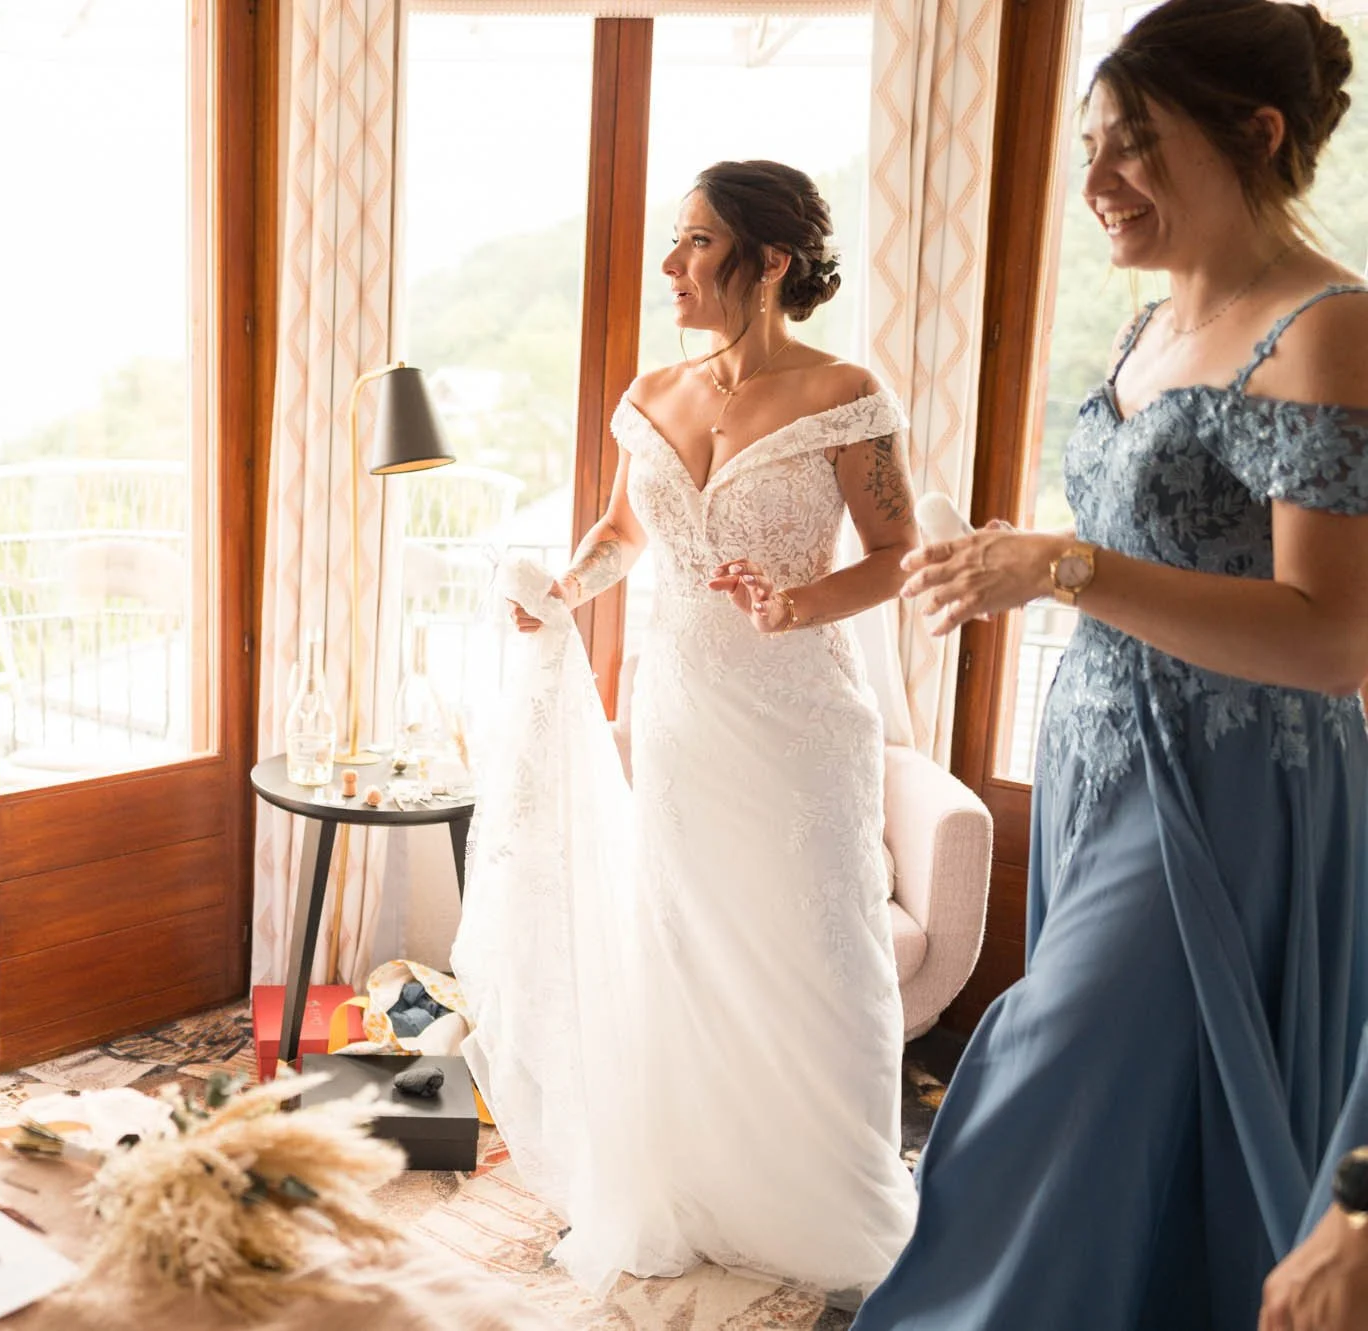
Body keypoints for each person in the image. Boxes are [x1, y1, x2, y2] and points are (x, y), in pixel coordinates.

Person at [852, 2, 1368, 1326]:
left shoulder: (1326, 324)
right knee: (1144, 1109)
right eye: (1090, 147)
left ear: (1255, 134)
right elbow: (1159, 539)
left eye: (1133, 145)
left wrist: (1062, 567)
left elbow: (1329, 633)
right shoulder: (1145, 330)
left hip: (1239, 779)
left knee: (1050, 1070)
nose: (1094, 184)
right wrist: (1019, 561)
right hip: (1100, 745)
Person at [452, 159, 921, 1303]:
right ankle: (695, 1179)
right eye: (672, 240)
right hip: (678, 719)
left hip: (799, 724)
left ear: (768, 262)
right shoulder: (653, 390)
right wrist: (565, 585)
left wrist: (795, 603)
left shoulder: (843, 395)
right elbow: (623, 529)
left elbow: (896, 553)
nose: (669, 265)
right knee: (680, 947)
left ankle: (815, 1191)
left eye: (695, 244)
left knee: (807, 957)